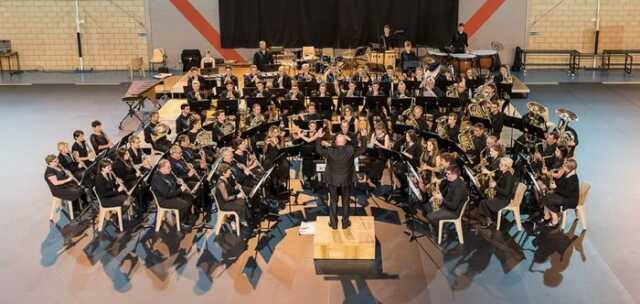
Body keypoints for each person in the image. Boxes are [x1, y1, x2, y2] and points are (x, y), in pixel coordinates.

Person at [313, 128, 367, 229]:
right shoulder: (350, 150)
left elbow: (318, 149)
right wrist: (363, 137)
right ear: (345, 142)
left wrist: (319, 138)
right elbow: (363, 149)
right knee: (346, 202)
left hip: (333, 181)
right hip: (346, 181)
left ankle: (333, 224)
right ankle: (345, 223)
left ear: (336, 142)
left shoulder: (330, 151)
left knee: (333, 201)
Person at [150, 159, 194, 230]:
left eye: (170, 167)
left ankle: (187, 217)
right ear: (162, 168)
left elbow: (172, 184)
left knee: (189, 196)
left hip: (172, 195)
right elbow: (167, 194)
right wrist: (180, 190)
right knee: (184, 204)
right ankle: (182, 222)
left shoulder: (168, 174)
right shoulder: (157, 178)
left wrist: (178, 183)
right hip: (164, 200)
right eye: (168, 167)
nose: (170, 168)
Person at [475, 157, 517, 227]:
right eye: (500, 163)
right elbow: (498, 178)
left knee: (483, 202)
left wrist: (495, 187)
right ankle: (490, 215)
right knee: (484, 195)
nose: (499, 165)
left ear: (507, 166)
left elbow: (506, 192)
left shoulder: (508, 176)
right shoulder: (504, 172)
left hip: (504, 200)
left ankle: (489, 220)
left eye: (502, 164)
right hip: (500, 196)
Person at [541, 159, 580, 227]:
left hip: (570, 200)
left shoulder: (573, 179)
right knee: (546, 196)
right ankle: (547, 217)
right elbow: (561, 185)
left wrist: (555, 188)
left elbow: (567, 193)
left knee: (549, 199)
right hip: (564, 196)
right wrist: (553, 181)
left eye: (564, 166)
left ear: (568, 169)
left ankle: (555, 221)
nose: (562, 166)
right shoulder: (567, 174)